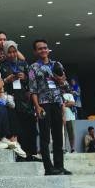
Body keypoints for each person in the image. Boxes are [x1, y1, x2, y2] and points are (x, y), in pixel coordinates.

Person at [27, 38, 69, 175]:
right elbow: (33, 89)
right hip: (43, 104)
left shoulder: (57, 64)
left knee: (58, 136)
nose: (43, 50)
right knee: (45, 137)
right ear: (35, 51)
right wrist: (37, 106)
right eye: (40, 48)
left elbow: (64, 85)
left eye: (45, 47)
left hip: (57, 102)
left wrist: (61, 81)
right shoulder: (33, 67)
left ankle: (60, 166)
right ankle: (48, 168)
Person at [0, 40, 32, 160]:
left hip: (23, 99)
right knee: (14, 128)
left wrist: (25, 77)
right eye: (9, 52)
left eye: (14, 51)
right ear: (5, 53)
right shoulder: (0, 66)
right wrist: (7, 80)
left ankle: (29, 154)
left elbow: (32, 80)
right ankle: (17, 155)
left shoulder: (24, 64)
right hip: (9, 100)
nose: (12, 54)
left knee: (26, 127)